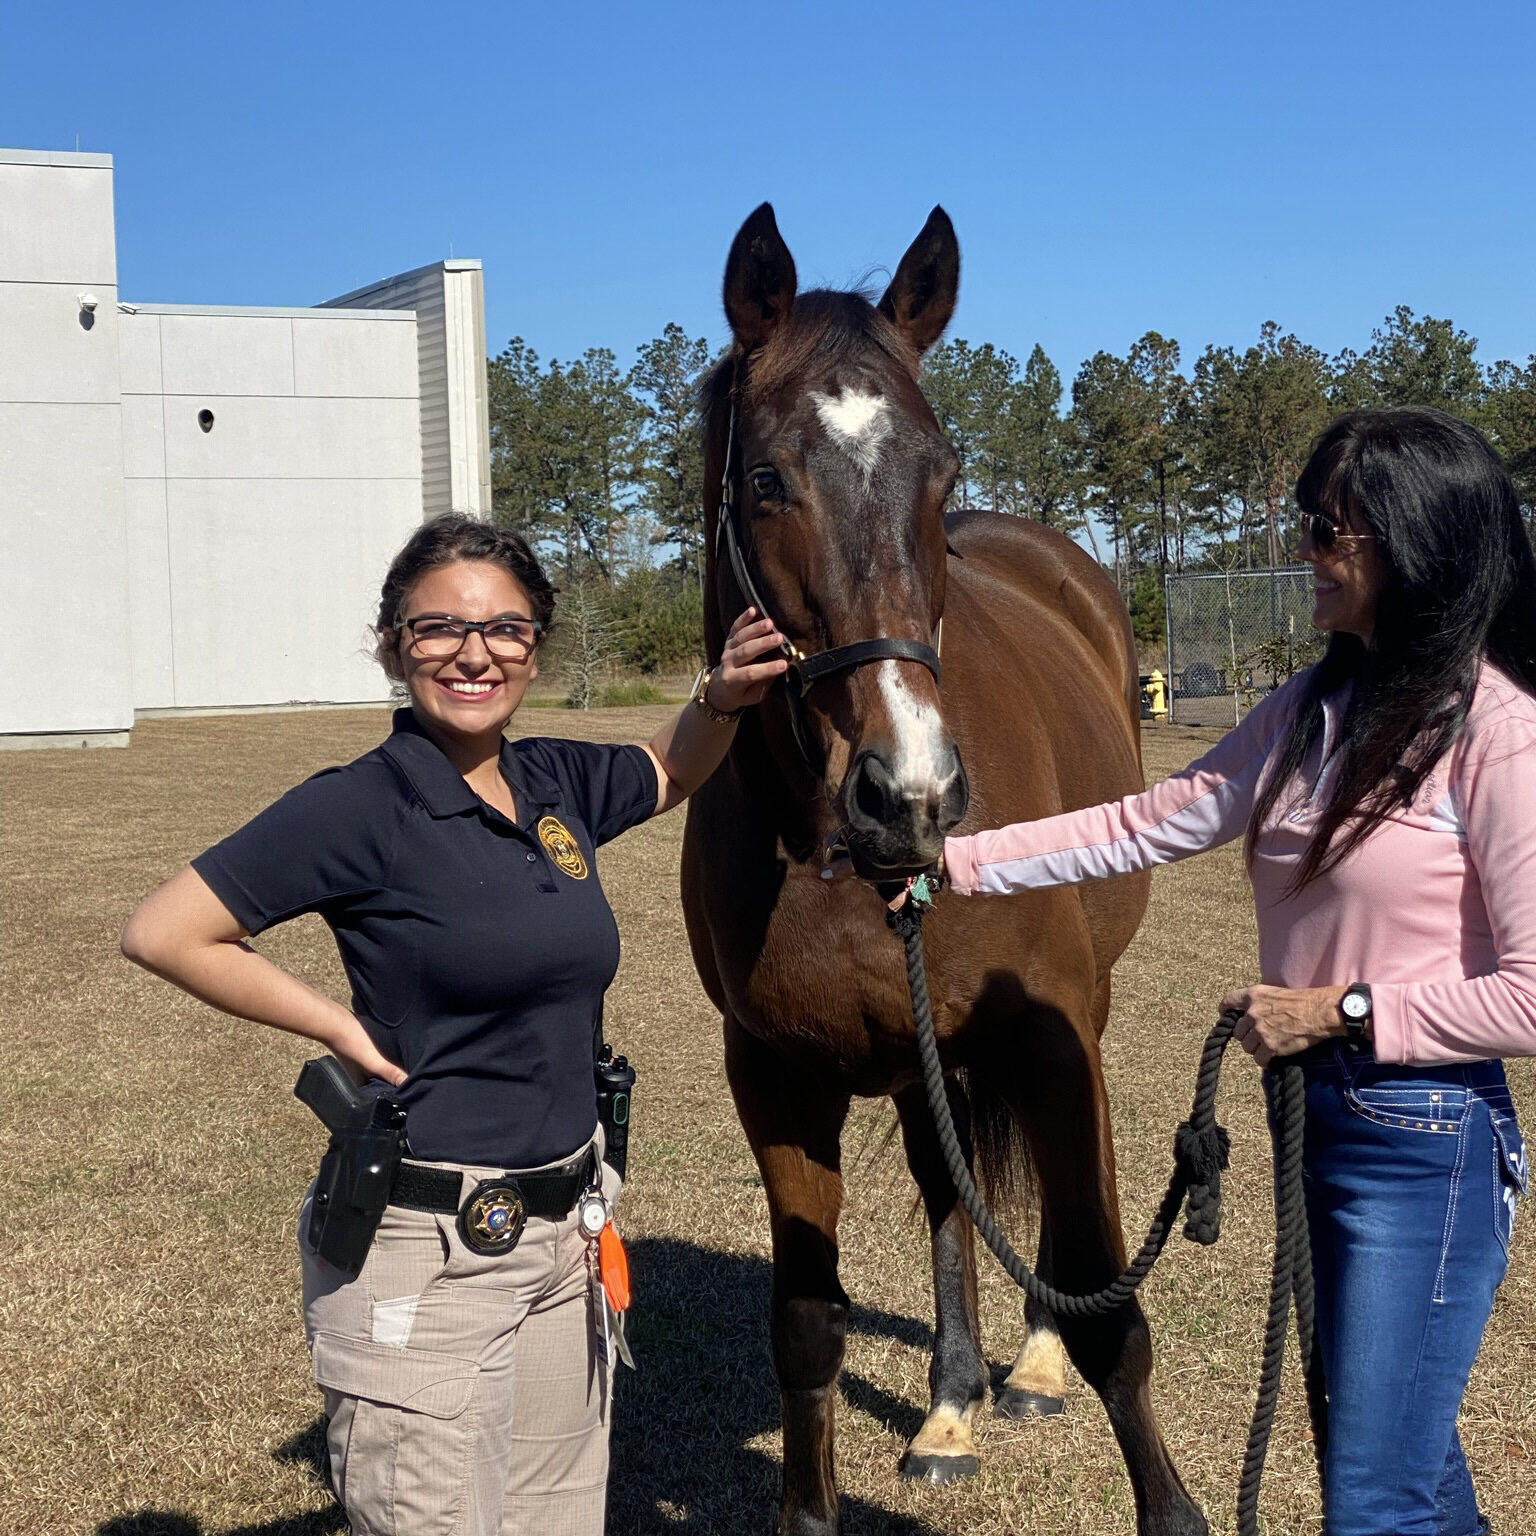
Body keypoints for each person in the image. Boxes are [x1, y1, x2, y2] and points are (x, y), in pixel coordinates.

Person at [121, 512, 789, 1536]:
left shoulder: (553, 782)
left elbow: (670, 770)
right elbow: (167, 931)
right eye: (438, 629)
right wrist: (334, 1026)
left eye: (506, 630)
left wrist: (719, 696)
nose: (474, 654)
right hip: (424, 1251)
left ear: (535, 646)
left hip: (566, 1239)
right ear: (395, 644)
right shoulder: (360, 806)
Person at [943, 408, 1534, 1536]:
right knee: (1391, 1452)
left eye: (1327, 527)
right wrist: (956, 861)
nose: (1304, 548)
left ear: (1411, 542)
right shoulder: (1314, 714)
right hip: (1323, 1120)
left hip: (1431, 1141)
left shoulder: (1499, 735)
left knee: (1372, 1491)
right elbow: (1150, 819)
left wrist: (1345, 1010)